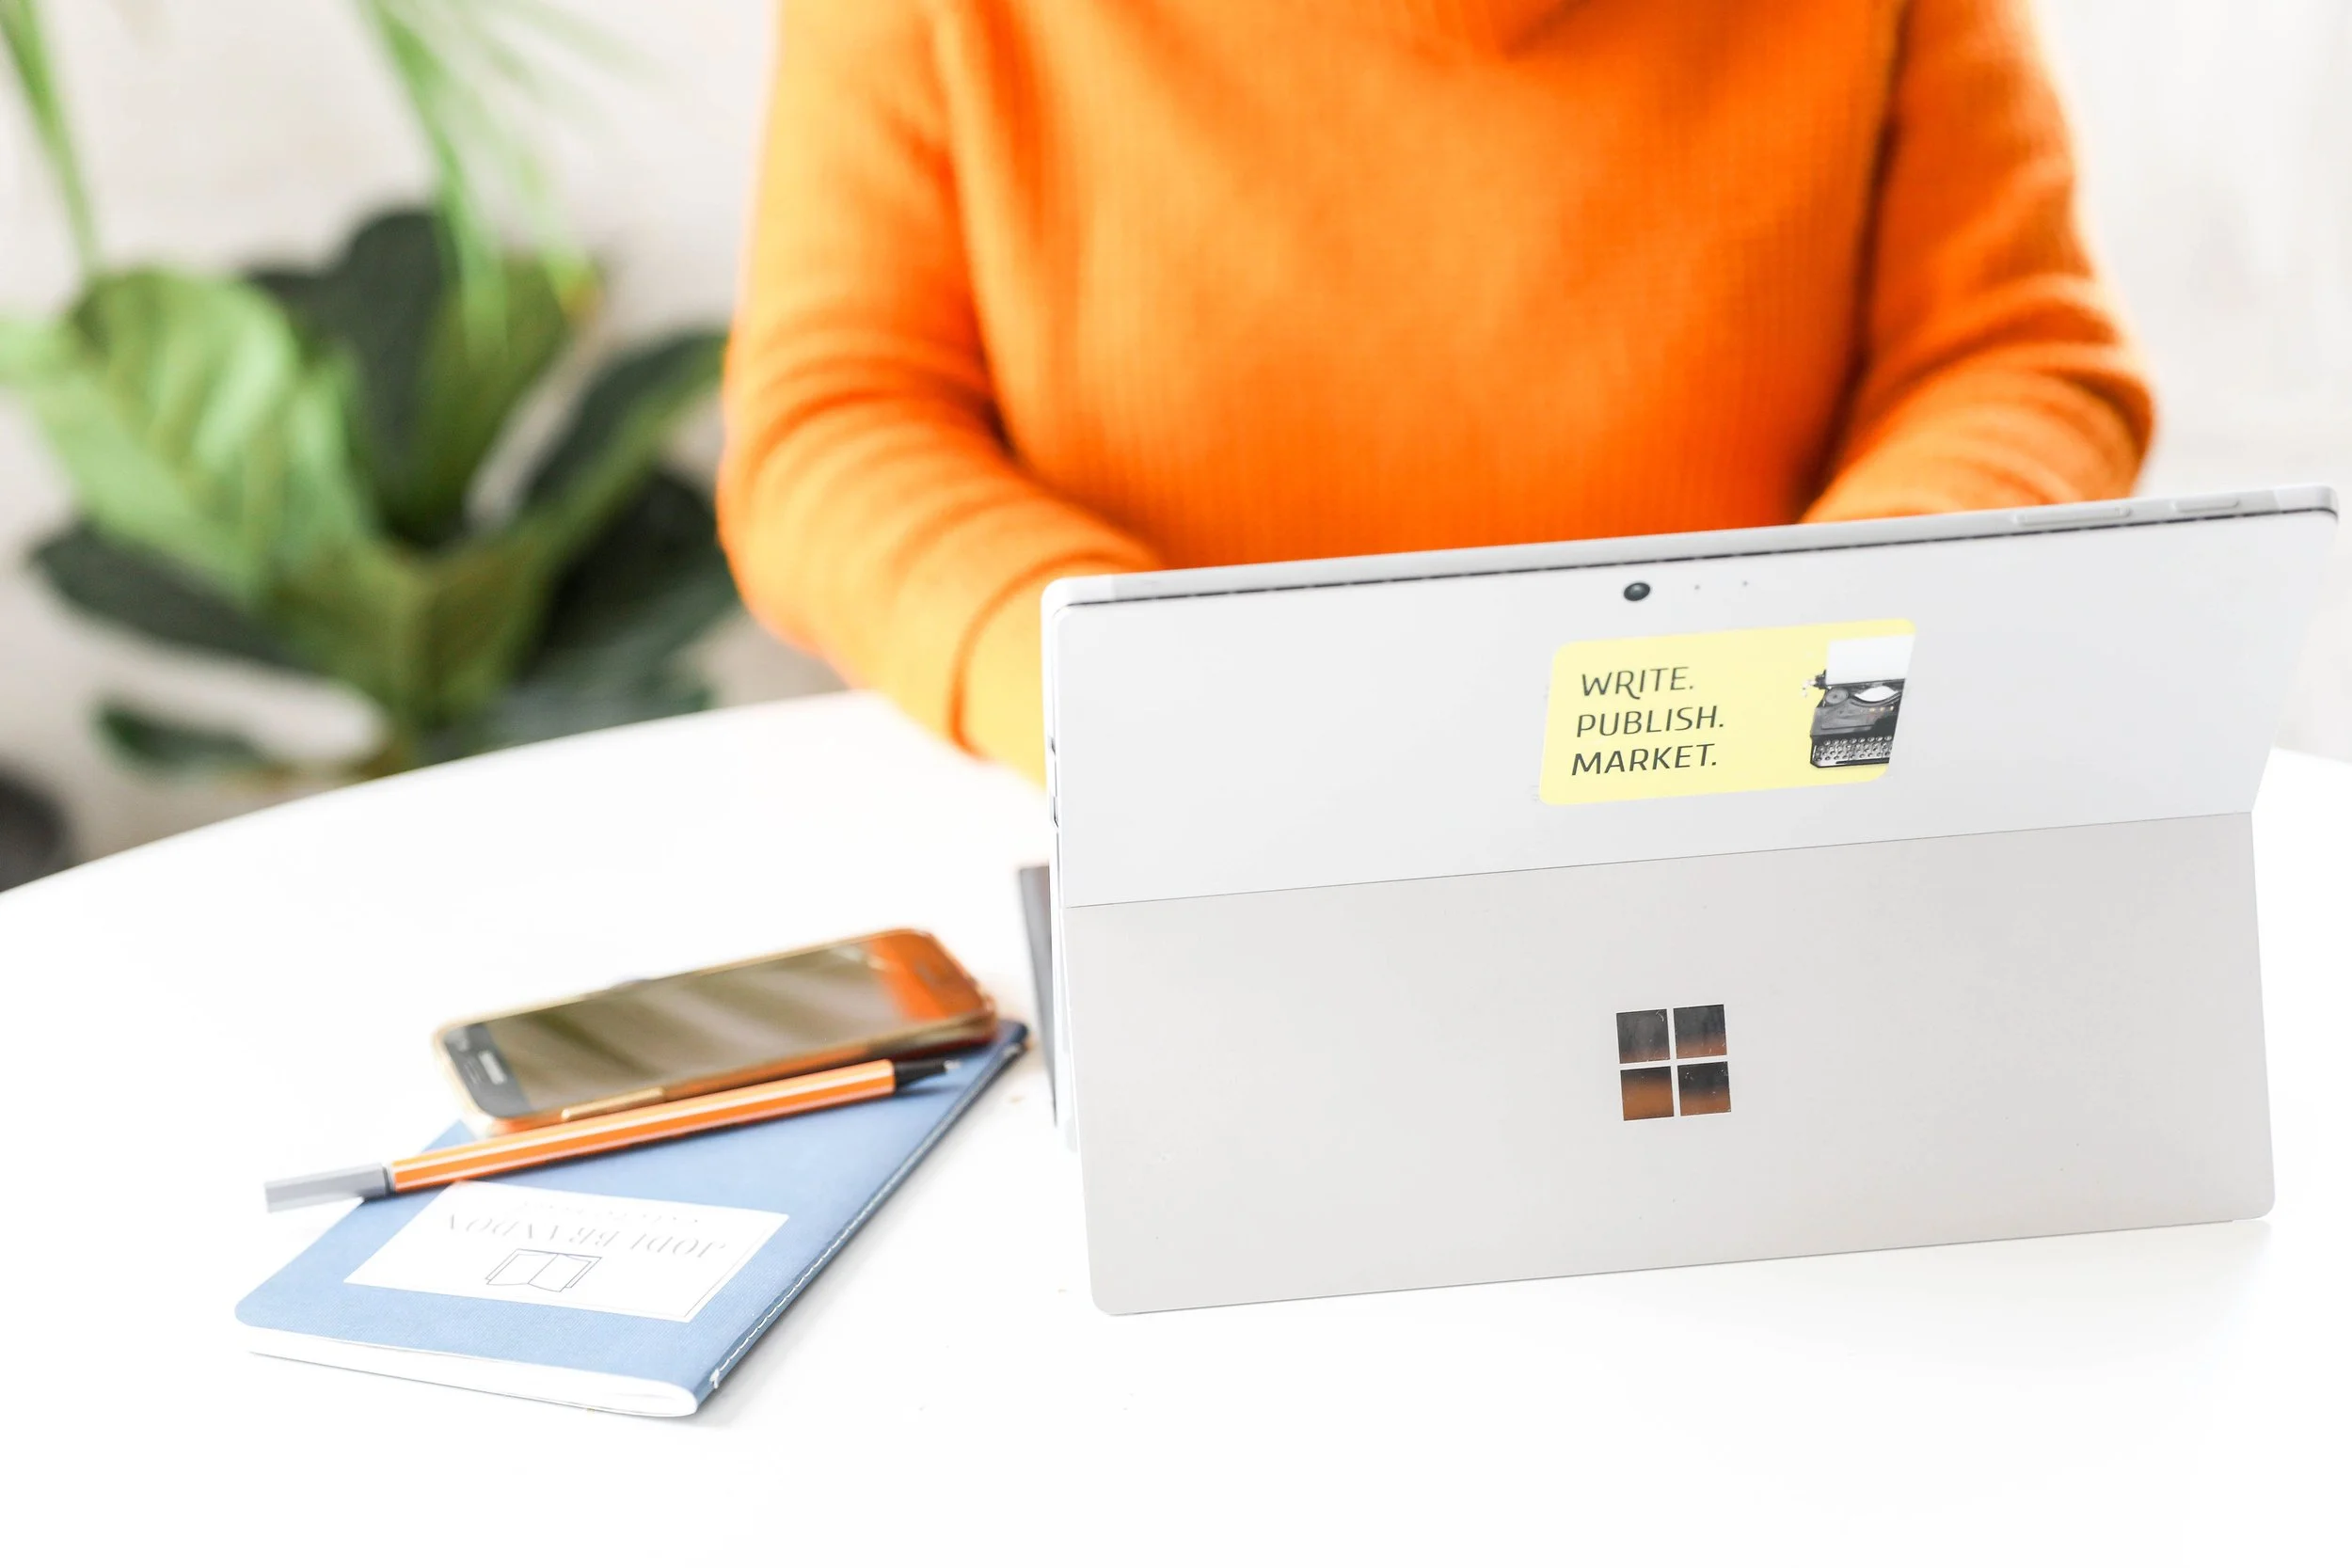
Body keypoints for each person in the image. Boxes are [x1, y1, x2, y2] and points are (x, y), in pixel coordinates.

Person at [718, 0, 2151, 785]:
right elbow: (834, 422)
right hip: (1154, 825)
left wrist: (1817, 682)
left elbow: (2008, 357)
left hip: (1760, 803)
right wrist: (1132, 704)